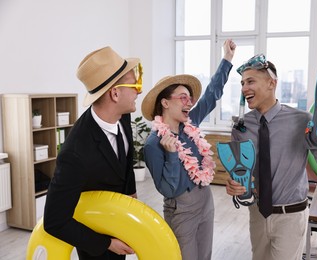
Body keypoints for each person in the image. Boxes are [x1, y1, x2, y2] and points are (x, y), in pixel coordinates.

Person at [225, 54, 317, 260]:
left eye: (251, 81)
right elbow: (240, 173)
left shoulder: (303, 121)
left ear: (272, 83)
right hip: (257, 214)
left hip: (291, 216)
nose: (244, 88)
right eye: (242, 83)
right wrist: (234, 186)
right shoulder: (241, 126)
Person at [44, 46, 142, 259]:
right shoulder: (75, 153)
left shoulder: (122, 115)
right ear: (115, 94)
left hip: (119, 221)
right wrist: (107, 243)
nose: (139, 90)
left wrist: (131, 194)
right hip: (95, 242)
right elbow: (54, 221)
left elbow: (125, 161)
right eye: (134, 84)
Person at [141, 39, 236, 260]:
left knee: (205, 256)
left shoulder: (190, 123)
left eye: (190, 98)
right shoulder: (153, 144)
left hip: (206, 200)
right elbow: (168, 190)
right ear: (165, 103)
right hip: (181, 209)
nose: (190, 102)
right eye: (183, 98)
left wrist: (227, 59)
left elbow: (212, 93)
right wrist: (172, 156)